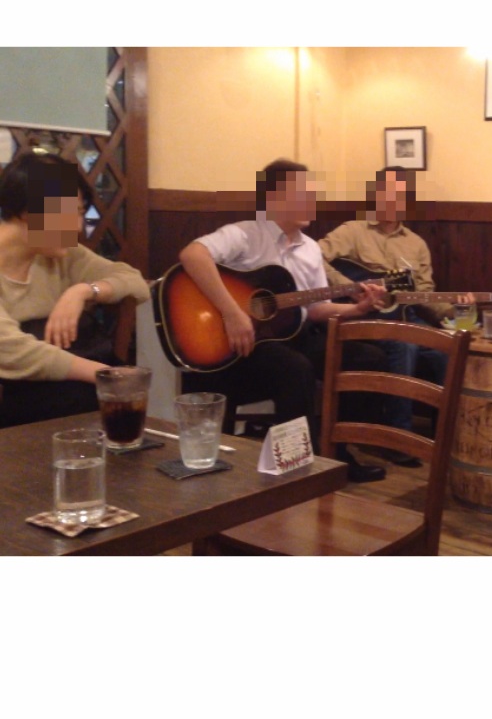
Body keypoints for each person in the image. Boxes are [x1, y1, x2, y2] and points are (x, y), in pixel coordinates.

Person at [178, 158, 390, 483]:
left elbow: (316, 309)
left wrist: (358, 309)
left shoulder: (310, 248)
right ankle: (296, 469)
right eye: (303, 193)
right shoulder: (245, 234)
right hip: (246, 343)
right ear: (274, 197)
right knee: (295, 368)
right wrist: (232, 312)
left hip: (294, 336)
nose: (312, 200)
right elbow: (192, 255)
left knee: (369, 359)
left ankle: (334, 451)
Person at [318, 166, 464, 467]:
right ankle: (398, 437)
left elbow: (424, 293)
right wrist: (352, 289)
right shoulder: (352, 231)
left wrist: (456, 311)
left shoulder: (416, 243)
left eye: (398, 194)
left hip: (405, 315)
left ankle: (447, 438)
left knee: (445, 348)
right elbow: (314, 256)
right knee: (404, 345)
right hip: (362, 316)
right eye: (385, 192)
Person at [0, 150, 150, 428]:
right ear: (26, 212)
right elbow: (11, 351)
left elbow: (134, 282)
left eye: (80, 213)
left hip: (65, 394)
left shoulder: (59, 253)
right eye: (69, 212)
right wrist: (104, 375)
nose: (78, 226)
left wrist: (83, 290)